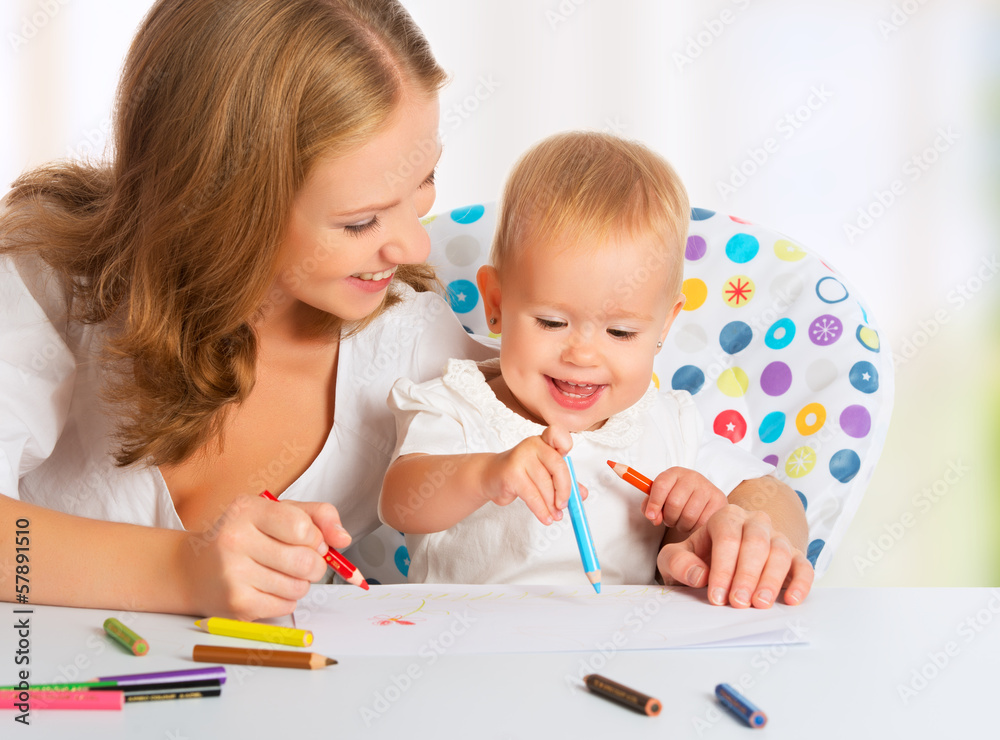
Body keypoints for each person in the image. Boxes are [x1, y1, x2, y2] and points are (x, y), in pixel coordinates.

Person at [0, 0, 496, 620]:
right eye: (360, 220)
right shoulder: (48, 280)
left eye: (425, 178)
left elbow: (594, 448)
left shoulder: (419, 340)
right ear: (222, 204)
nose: (416, 245)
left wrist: (658, 530)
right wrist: (179, 571)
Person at [379, 132, 814, 608]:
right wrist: (486, 474)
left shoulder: (664, 423)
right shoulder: (458, 404)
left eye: (622, 333)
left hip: (614, 653)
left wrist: (729, 525)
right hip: (466, 650)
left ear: (665, 324)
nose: (583, 356)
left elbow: (774, 497)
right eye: (552, 322)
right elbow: (400, 503)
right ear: (496, 303)